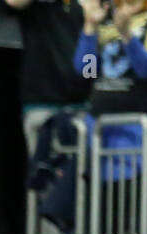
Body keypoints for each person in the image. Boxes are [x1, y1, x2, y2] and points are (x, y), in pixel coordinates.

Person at [6, 0, 93, 147]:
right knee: (44, 167)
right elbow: (12, 3)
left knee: (85, 168)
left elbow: (91, 62)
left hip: (85, 106)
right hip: (44, 103)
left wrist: (93, 23)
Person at [76, 0, 147, 118]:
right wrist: (91, 26)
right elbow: (87, 72)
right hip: (98, 119)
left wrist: (126, 34)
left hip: (137, 120)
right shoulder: (107, 22)